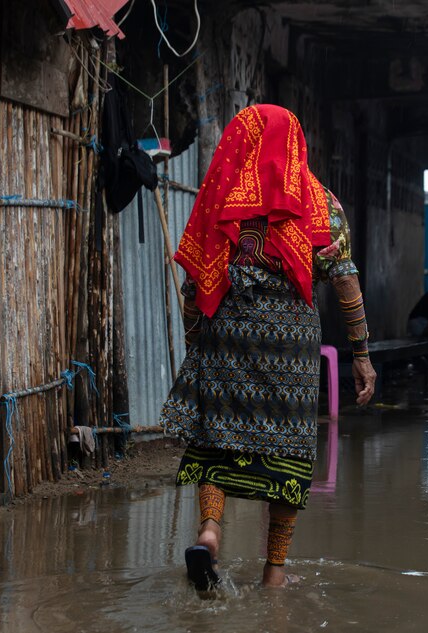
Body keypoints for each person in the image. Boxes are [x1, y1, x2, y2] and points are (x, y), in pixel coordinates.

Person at [160, 104, 377, 592]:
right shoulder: (320, 201)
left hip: (227, 335)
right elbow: (345, 281)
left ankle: (210, 533)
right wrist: (361, 353)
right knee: (289, 452)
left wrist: (199, 342)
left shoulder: (222, 195)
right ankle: (274, 570)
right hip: (292, 346)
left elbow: (195, 281)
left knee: (216, 439)